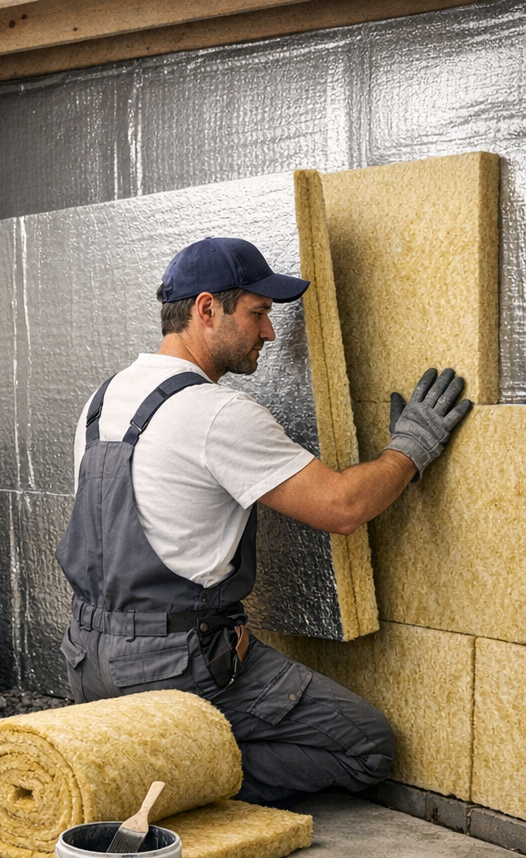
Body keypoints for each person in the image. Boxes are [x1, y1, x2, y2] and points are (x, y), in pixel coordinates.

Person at [55, 236, 472, 808]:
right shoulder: (217, 414)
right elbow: (342, 508)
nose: (270, 334)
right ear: (207, 310)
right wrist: (410, 450)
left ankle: (141, 762)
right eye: (257, 313)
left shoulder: (102, 400)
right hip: (173, 669)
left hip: (86, 659)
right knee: (368, 747)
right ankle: (171, 780)